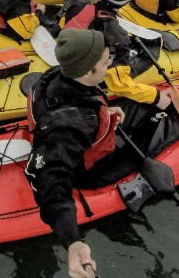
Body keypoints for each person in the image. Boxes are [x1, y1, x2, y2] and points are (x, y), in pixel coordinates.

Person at [25, 28, 121, 278]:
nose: (109, 63)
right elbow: (50, 178)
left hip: (67, 134)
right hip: (85, 171)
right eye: (105, 62)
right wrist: (73, 242)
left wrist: (106, 114)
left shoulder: (54, 74)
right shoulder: (74, 124)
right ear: (89, 71)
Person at [63, 0, 172, 109]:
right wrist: (155, 97)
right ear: (126, 1)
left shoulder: (79, 7)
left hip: (69, 51)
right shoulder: (118, 36)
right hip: (82, 75)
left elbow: (65, 25)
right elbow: (119, 85)